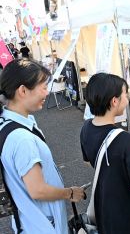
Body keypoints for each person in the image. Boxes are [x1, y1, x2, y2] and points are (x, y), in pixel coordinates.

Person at [0, 59, 85, 234]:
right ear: (23, 91)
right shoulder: (22, 139)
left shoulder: (9, 121)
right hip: (42, 225)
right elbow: (37, 190)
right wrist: (70, 193)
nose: (47, 93)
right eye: (43, 87)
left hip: (28, 219)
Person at [80, 73, 130, 234]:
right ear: (114, 101)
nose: (126, 99)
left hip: (104, 206)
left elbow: (88, 162)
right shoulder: (126, 140)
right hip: (128, 214)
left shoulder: (85, 128)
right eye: (125, 94)